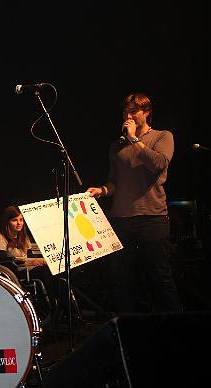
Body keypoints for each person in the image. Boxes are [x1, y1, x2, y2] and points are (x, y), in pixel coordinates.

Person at [86, 92, 181, 314]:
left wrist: (134, 139)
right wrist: (102, 190)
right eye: (125, 112)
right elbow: (115, 181)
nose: (128, 116)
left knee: (159, 276)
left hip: (152, 216)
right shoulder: (116, 146)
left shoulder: (162, 136)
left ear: (146, 112)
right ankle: (129, 330)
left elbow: (158, 163)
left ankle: (175, 327)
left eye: (133, 111)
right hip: (121, 219)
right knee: (121, 279)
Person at [0, 205, 57, 309]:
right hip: (15, 271)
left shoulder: (24, 238)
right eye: (15, 220)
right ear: (7, 222)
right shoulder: (0, 238)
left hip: (28, 269)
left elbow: (31, 256)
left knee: (53, 270)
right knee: (44, 271)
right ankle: (51, 307)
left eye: (21, 220)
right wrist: (30, 262)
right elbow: (2, 262)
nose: (19, 223)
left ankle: (59, 305)